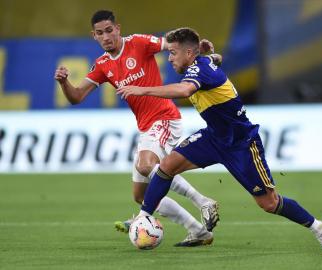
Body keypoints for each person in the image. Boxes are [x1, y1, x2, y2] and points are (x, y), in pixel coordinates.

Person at [116, 27, 322, 252]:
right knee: (166, 166)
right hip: (214, 137)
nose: (169, 57)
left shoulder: (198, 70)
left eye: (173, 52)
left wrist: (142, 90)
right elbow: (215, 59)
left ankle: (318, 227)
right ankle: (143, 217)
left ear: (189, 53)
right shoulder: (200, 64)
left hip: (241, 143)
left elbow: (184, 91)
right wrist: (210, 54)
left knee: (269, 203)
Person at [54, 11, 219, 247]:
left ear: (118, 28)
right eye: (100, 33)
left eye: (109, 30)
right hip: (146, 127)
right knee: (140, 195)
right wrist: (64, 83)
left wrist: (198, 48)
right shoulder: (102, 65)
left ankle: (202, 201)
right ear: (94, 36)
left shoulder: (139, 43)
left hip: (165, 117)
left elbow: (172, 44)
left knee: (146, 165)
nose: (106, 37)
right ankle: (198, 231)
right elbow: (77, 97)